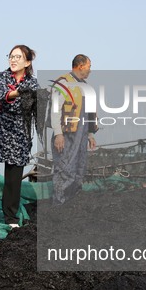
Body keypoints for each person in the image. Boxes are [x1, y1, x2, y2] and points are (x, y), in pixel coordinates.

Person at [0, 45, 40, 227]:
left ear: (27, 62)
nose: (13, 60)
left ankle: (10, 217)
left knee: (13, 181)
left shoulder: (33, 84)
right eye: (11, 56)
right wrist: (15, 94)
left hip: (19, 136)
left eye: (18, 57)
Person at [50, 54, 97, 205]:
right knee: (65, 167)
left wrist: (90, 134)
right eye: (89, 66)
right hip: (67, 134)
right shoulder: (63, 83)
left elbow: (89, 113)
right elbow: (55, 110)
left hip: (82, 133)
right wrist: (58, 134)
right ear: (81, 65)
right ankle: (59, 203)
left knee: (79, 167)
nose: (90, 70)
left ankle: (73, 201)